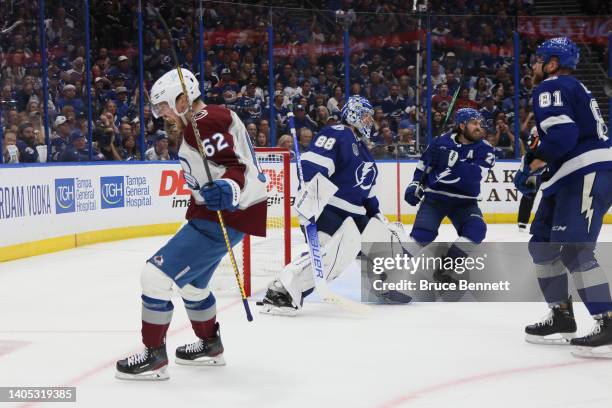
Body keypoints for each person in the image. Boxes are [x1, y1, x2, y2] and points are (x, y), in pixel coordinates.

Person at [115, 68, 268, 380]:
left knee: (154, 276)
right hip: (223, 217)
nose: (161, 115)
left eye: (164, 107)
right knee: (192, 285)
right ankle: (210, 347)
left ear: (182, 99)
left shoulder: (205, 122)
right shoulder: (203, 121)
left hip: (222, 218)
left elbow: (234, 166)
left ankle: (154, 358)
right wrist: (228, 189)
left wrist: (229, 189)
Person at [259, 96, 406, 315]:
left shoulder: (364, 150)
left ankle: (385, 284)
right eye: (366, 116)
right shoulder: (337, 132)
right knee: (333, 254)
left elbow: (369, 196)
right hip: (330, 210)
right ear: (354, 114)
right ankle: (282, 290)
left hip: (356, 215)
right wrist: (308, 193)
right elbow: (313, 166)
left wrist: (378, 216)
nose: (370, 121)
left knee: (388, 239)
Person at [513, 37, 612, 357]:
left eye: (538, 60)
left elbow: (563, 136)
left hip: (585, 172)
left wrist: (530, 166)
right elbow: (566, 138)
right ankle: (562, 315)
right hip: (568, 176)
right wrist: (541, 170)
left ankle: (608, 323)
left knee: (574, 249)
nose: (533, 66)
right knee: (542, 246)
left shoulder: (551, 86)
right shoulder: (569, 88)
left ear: (553, 63)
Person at [404, 108, 495, 280]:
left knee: (476, 230)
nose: (479, 127)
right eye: (474, 123)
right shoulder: (440, 142)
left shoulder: (485, 149)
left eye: (479, 124)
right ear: (462, 126)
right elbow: (424, 166)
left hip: (465, 202)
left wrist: (454, 164)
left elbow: (476, 175)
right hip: (435, 198)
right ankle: (394, 270)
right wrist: (415, 184)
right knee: (422, 234)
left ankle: (445, 269)